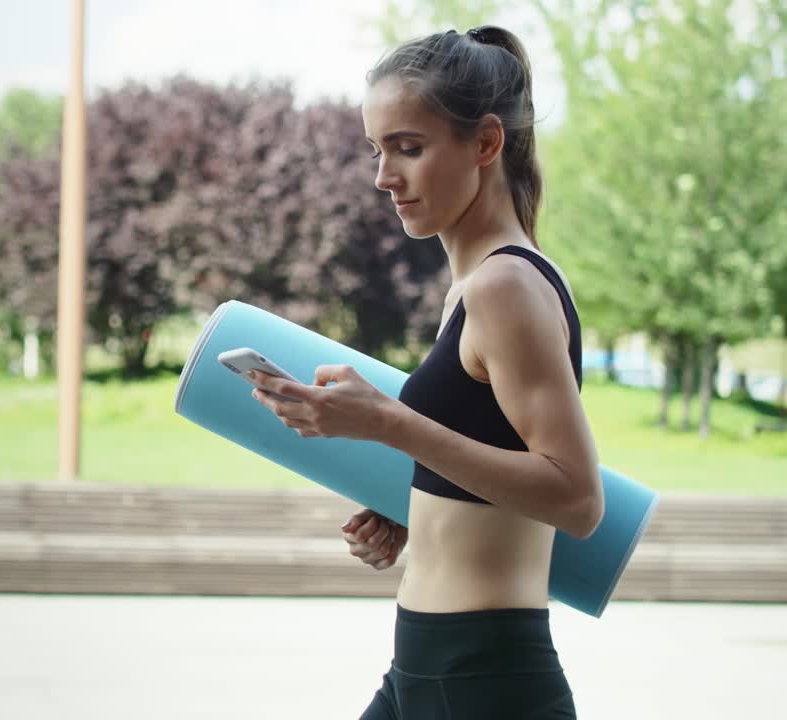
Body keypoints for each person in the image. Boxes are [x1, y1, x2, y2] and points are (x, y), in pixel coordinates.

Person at [246, 26, 603, 719]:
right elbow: (499, 455)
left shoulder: (505, 286)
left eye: (409, 148)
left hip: (484, 680)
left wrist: (390, 423)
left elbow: (575, 497)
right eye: (377, 151)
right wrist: (418, 510)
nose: (384, 177)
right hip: (429, 666)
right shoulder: (476, 286)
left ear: (486, 144)